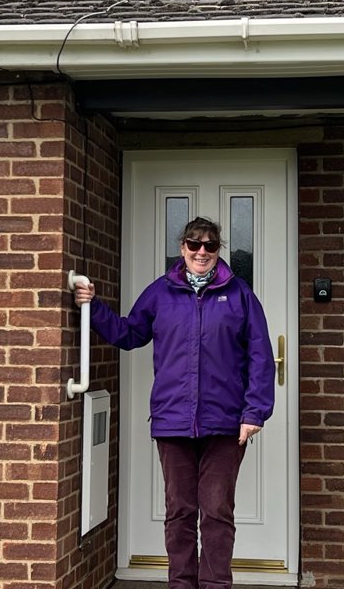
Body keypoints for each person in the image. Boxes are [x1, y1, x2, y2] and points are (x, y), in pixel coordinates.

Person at [74, 216, 275, 589]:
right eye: (194, 244)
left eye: (210, 246)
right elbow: (130, 333)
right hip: (173, 421)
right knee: (179, 512)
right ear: (182, 248)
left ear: (218, 251)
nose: (202, 252)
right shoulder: (161, 292)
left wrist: (254, 412)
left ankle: (215, 585)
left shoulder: (239, 294)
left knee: (216, 512)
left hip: (226, 423)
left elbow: (261, 355)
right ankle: (181, 584)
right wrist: (93, 307)